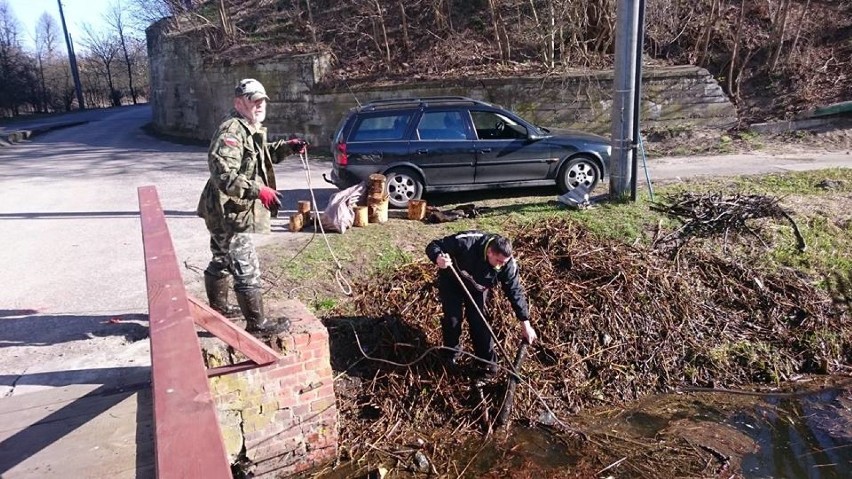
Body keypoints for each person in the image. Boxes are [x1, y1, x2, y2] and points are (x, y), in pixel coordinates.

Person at [197, 78, 306, 334]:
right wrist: (259, 190)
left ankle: (219, 308)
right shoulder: (231, 132)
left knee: (222, 259)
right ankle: (257, 325)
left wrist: (287, 148)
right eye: (252, 100)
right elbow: (223, 175)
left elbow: (259, 154)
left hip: (222, 208)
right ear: (239, 102)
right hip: (228, 211)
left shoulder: (247, 128)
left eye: (261, 100)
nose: (258, 105)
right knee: (246, 265)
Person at [425, 231, 537, 374]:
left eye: (504, 262)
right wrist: (438, 258)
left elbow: (515, 292)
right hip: (452, 282)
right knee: (453, 319)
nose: (500, 266)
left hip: (477, 288)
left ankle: (486, 363)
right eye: (498, 261)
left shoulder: (507, 265)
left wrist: (525, 322)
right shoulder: (466, 242)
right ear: (490, 252)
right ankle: (451, 355)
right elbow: (433, 245)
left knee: (479, 322)